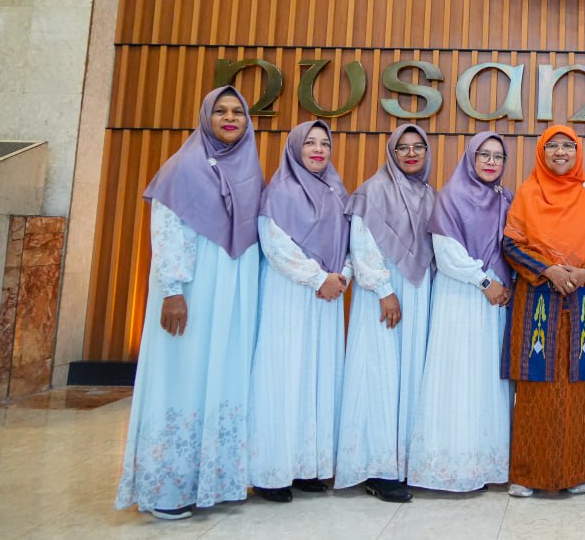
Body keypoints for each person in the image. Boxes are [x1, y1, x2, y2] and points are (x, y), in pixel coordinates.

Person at [115, 86, 264, 520]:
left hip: (233, 294)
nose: (230, 118)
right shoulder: (182, 167)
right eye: (221, 111)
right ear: (205, 117)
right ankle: (167, 488)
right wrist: (173, 292)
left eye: (238, 112)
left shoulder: (249, 169)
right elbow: (167, 233)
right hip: (194, 292)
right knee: (183, 376)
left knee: (223, 377)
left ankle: (213, 481)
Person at [502, 125, 585, 497]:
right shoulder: (528, 192)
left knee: (581, 385)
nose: (561, 152)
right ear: (542, 152)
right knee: (537, 385)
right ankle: (528, 474)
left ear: (578, 152)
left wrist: (584, 273)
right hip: (538, 297)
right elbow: (511, 245)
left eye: (569, 146)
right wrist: (548, 270)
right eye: (553, 146)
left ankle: (580, 470)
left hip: (582, 299)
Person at [247, 120, 351, 502]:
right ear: (295, 148)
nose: (318, 149)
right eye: (310, 143)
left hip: (327, 300)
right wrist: (318, 278)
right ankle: (272, 471)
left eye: (324, 143)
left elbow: (350, 243)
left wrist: (342, 276)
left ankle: (308, 466)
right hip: (289, 296)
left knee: (318, 377)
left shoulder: (338, 193)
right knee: (285, 376)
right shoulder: (278, 192)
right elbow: (276, 247)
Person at [406, 132, 515, 492]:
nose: (491, 162)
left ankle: (488, 464)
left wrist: (504, 285)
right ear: (471, 157)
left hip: (495, 303)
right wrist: (485, 282)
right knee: (458, 376)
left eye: (498, 156)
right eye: (484, 154)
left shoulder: (505, 199)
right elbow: (447, 254)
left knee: (487, 377)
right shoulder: (450, 197)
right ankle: (452, 467)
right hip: (461, 298)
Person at [335, 124, 436, 502]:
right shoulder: (372, 191)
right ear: (391, 153)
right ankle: (376, 468)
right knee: (379, 375)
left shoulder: (428, 194)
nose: (411, 154)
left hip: (418, 292)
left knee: (408, 376)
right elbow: (361, 247)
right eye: (402, 148)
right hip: (384, 294)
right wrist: (384, 291)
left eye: (418, 147)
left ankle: (403, 462)